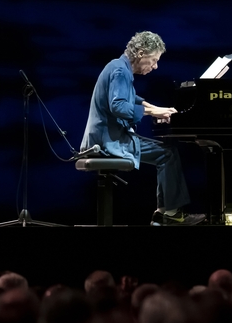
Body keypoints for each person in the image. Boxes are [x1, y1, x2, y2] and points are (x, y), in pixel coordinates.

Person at [80, 31, 204, 226]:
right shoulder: (121, 71)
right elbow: (119, 106)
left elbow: (133, 99)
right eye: (153, 60)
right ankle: (169, 214)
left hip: (106, 138)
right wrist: (154, 114)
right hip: (107, 142)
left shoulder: (118, 66)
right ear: (140, 53)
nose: (155, 66)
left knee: (166, 153)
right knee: (167, 154)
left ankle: (164, 213)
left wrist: (158, 108)